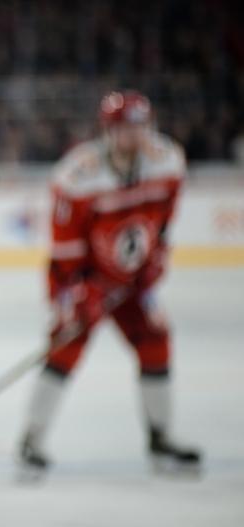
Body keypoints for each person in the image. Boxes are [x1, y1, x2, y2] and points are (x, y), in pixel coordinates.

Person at [18, 90, 201, 473]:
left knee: (156, 341)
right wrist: (78, 291)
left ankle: (160, 437)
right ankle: (32, 439)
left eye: (139, 127)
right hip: (83, 280)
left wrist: (154, 264)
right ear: (107, 130)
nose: (133, 136)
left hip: (134, 281)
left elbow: (163, 222)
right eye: (124, 128)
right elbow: (66, 248)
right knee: (64, 348)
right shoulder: (78, 174)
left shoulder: (166, 161)